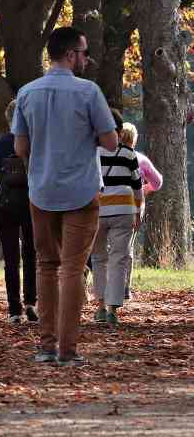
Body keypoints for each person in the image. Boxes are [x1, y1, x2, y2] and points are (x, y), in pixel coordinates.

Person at [13, 26, 118, 367]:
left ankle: (45, 345)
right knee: (73, 268)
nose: (87, 59)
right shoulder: (89, 93)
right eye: (85, 53)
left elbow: (20, 147)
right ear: (71, 55)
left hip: (41, 190)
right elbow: (112, 142)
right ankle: (67, 350)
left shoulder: (27, 93)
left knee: (46, 265)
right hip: (82, 190)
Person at [0, 100, 37, 324]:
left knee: (11, 258)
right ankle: (31, 302)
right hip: (32, 204)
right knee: (32, 253)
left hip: (5, 206)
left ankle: (14, 310)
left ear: (8, 118)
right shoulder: (34, 143)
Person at [91, 109, 143, 326]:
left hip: (97, 212)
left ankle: (101, 307)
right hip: (124, 210)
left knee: (98, 258)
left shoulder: (92, 152)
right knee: (119, 259)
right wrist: (138, 211)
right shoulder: (129, 154)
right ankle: (113, 309)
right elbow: (138, 187)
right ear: (121, 132)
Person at [120, 121, 162, 299]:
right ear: (134, 140)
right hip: (134, 206)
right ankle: (125, 288)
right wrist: (144, 189)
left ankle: (107, 286)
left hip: (108, 205)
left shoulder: (106, 156)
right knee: (127, 247)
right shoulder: (141, 160)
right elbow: (158, 182)